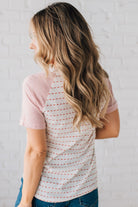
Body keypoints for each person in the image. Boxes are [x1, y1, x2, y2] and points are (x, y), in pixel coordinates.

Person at [14, 2, 120, 207]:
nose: (31, 45)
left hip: (46, 194)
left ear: (51, 40)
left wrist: (26, 202)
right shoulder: (101, 81)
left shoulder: (34, 85)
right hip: (86, 193)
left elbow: (37, 151)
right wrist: (77, 134)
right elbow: (112, 129)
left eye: (34, 37)